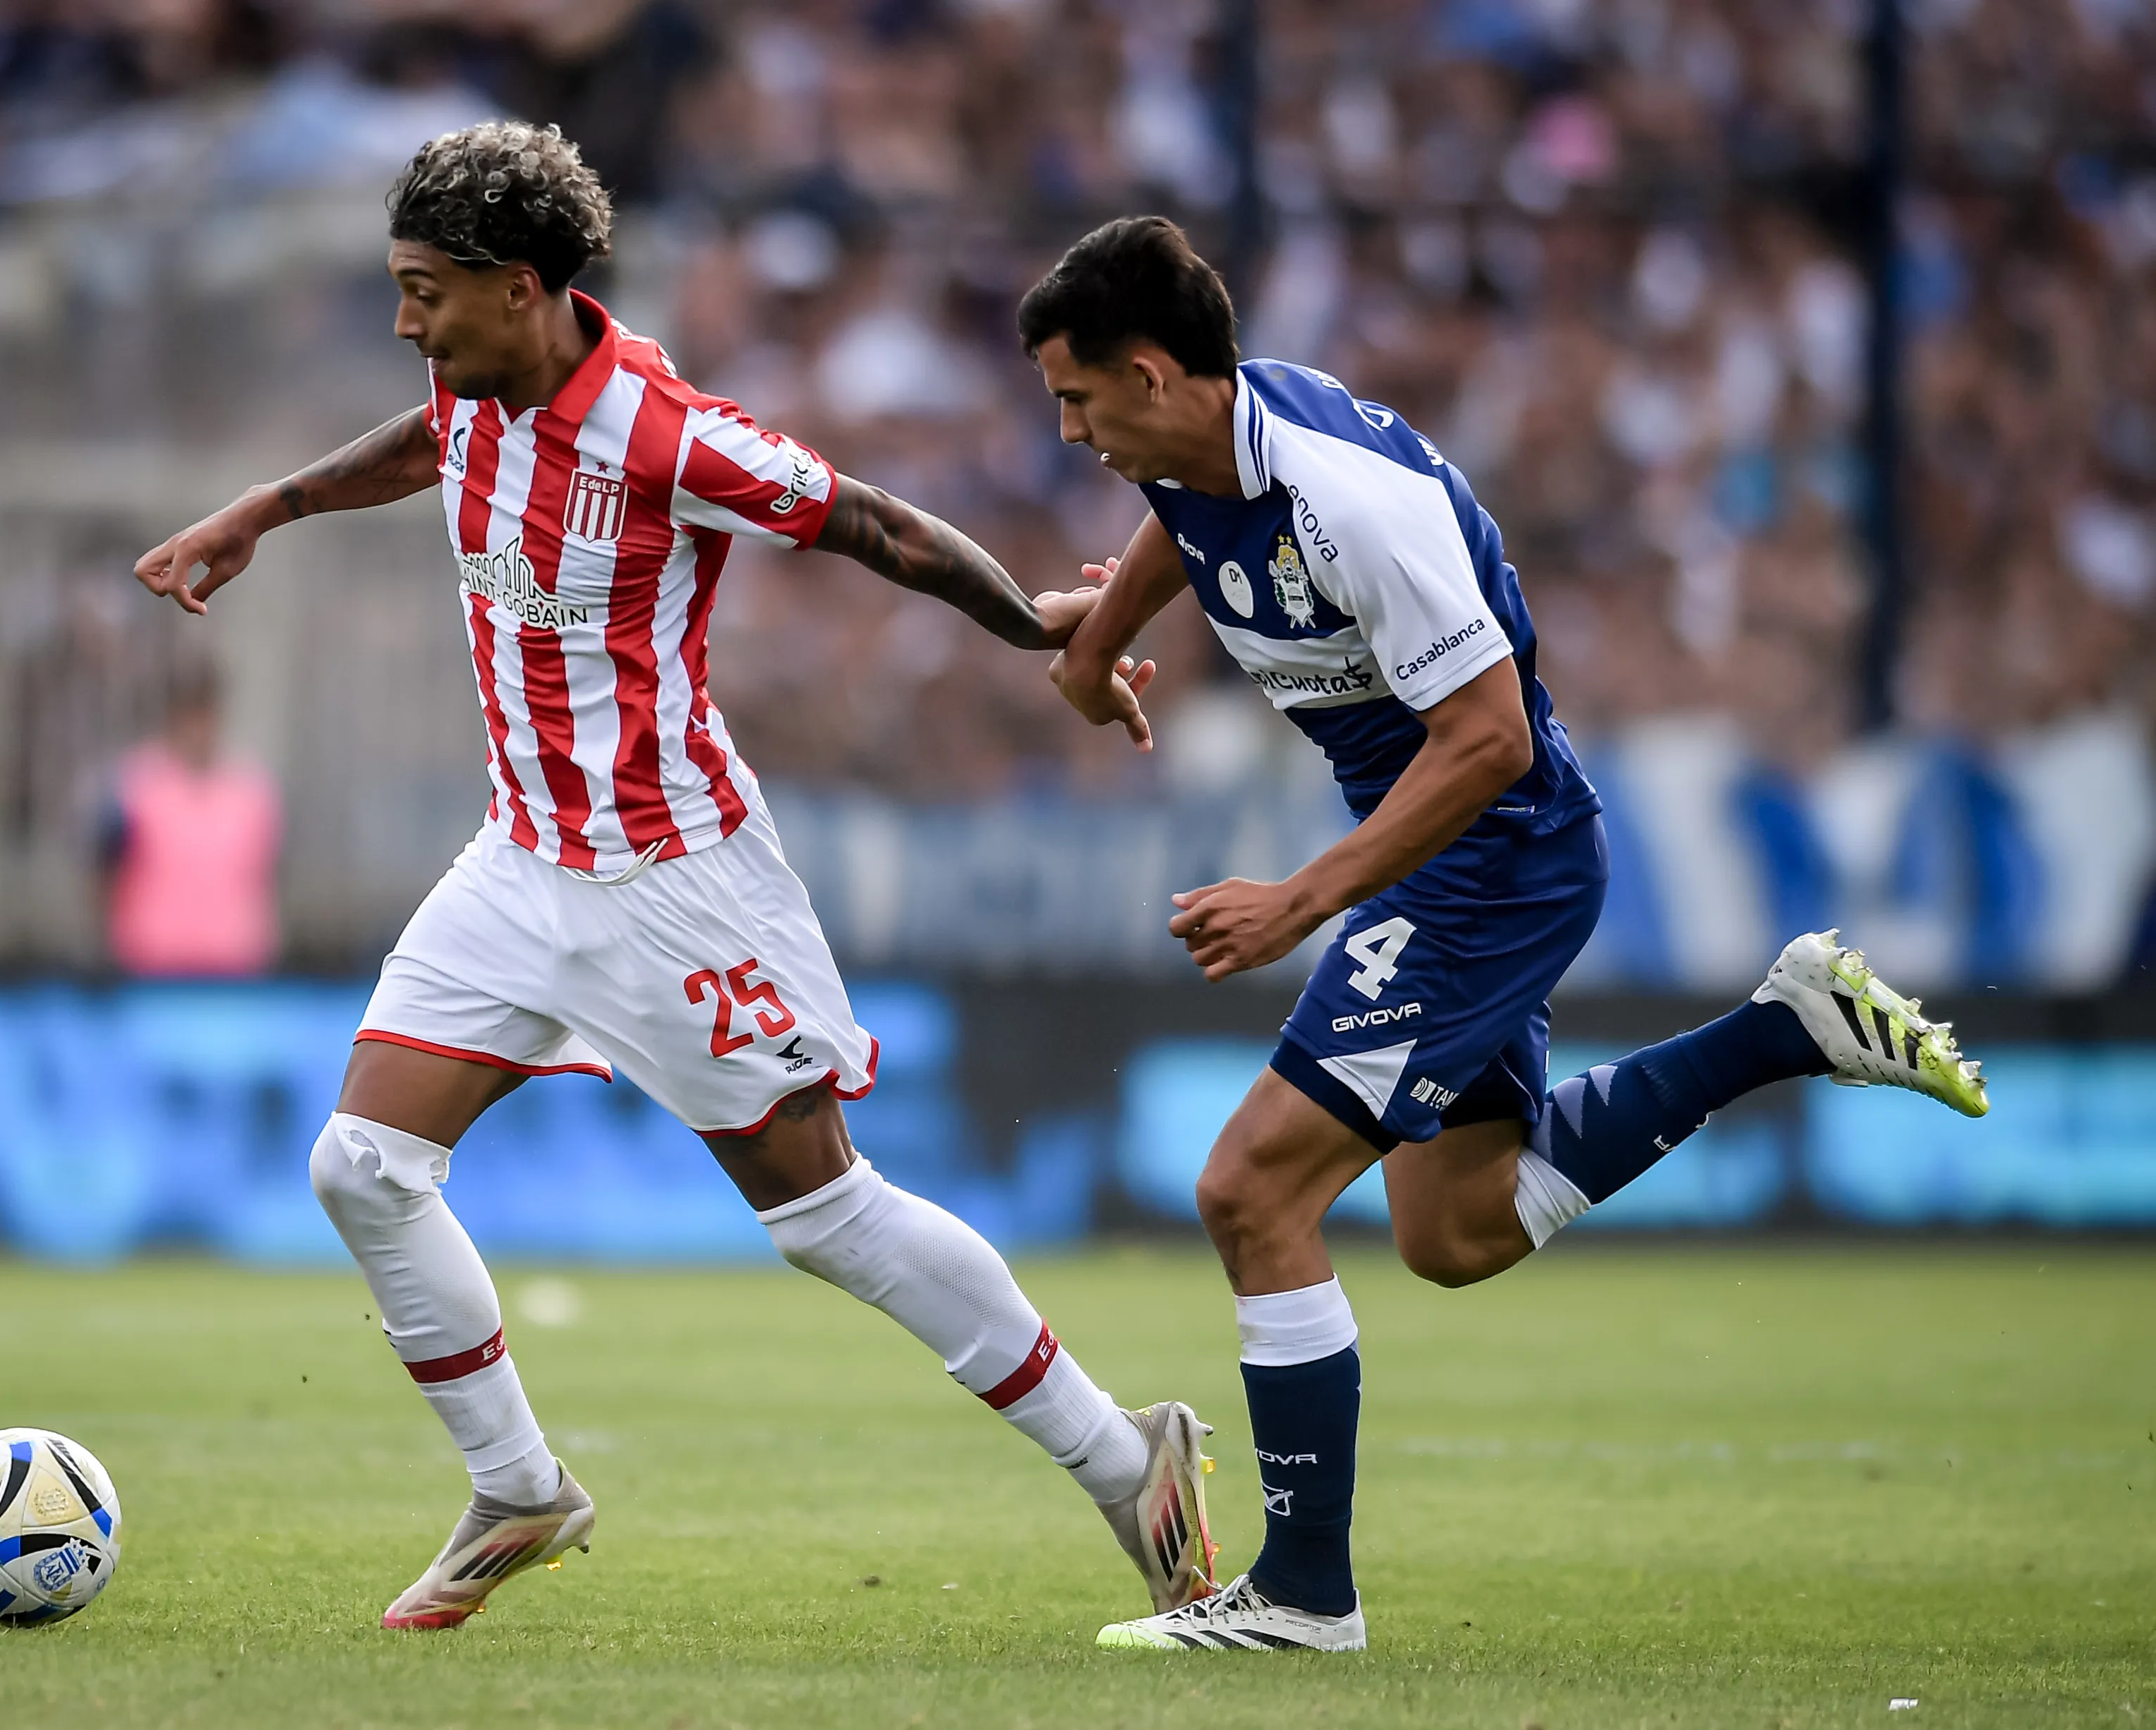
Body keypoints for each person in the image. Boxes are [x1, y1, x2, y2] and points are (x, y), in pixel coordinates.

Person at [131, 124, 1215, 1633]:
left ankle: (1125, 1458)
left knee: (825, 1216)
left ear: (522, 289)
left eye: (422, 292)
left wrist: (1045, 635)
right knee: (361, 1166)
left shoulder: (666, 432)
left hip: (675, 881)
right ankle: (519, 1487)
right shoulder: (473, 385)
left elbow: (876, 524)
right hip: (518, 861)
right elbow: (424, 438)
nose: (405, 322)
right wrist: (268, 509)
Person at [1021, 217, 1990, 1653]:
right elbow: (1182, 523)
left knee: (1248, 1193)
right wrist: (1099, 644)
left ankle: (1303, 1595)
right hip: (1462, 856)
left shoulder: (1354, 501)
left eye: (1079, 399)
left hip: (1485, 860)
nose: (1070, 428)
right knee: (1458, 1230)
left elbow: (1483, 744)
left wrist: (1302, 895)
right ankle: (1784, 1025)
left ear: (1156, 373)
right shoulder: (1213, 440)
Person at [97, 659, 284, 977]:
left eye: (205, 715)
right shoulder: (137, 786)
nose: (198, 729)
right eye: (190, 716)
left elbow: (267, 873)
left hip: (235, 970)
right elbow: (107, 868)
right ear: (173, 718)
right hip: (151, 970)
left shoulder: (252, 789)